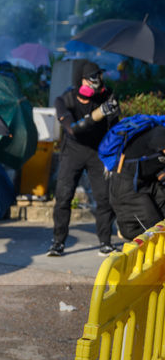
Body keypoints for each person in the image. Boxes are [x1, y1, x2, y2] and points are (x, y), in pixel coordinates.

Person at [48, 60, 119, 257]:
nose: (98, 82)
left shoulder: (106, 96)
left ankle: (105, 242)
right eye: (93, 78)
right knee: (63, 197)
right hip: (73, 151)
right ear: (81, 81)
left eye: (99, 77)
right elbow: (73, 129)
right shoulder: (65, 100)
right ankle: (58, 242)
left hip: (98, 151)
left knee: (104, 198)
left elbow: (115, 127)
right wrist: (98, 113)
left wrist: (113, 153)